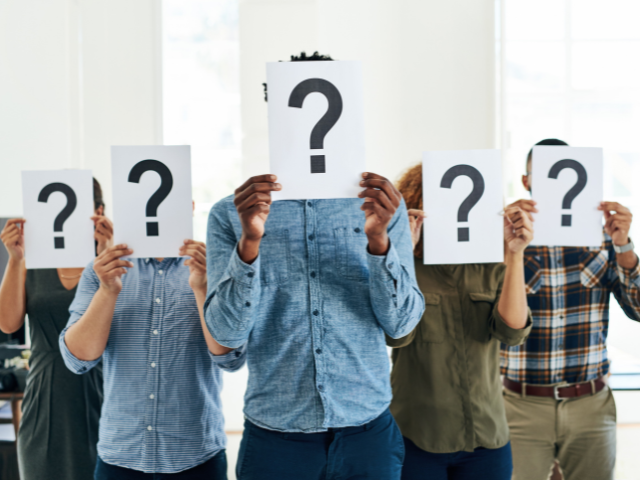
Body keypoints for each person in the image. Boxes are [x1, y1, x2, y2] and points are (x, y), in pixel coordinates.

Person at [59, 216, 244, 479]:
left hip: (197, 457)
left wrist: (202, 287)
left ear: (189, 205)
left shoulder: (217, 267)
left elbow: (232, 359)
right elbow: (77, 360)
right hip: (119, 457)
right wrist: (107, 291)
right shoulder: (101, 270)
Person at [501, 138, 640, 480]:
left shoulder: (603, 235)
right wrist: (504, 245)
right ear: (526, 181)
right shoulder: (506, 234)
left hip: (589, 403)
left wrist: (624, 245)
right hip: (520, 404)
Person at [386, 163, 533, 480]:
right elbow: (396, 336)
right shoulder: (405, 265)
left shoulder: (490, 263)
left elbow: (512, 332)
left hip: (487, 436)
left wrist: (515, 255)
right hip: (417, 436)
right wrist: (402, 253)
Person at [0, 178, 111, 480]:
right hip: (44, 399)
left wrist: (106, 251)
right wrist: (15, 259)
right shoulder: (32, 260)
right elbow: (7, 323)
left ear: (98, 210)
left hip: (103, 391)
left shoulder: (109, 260)